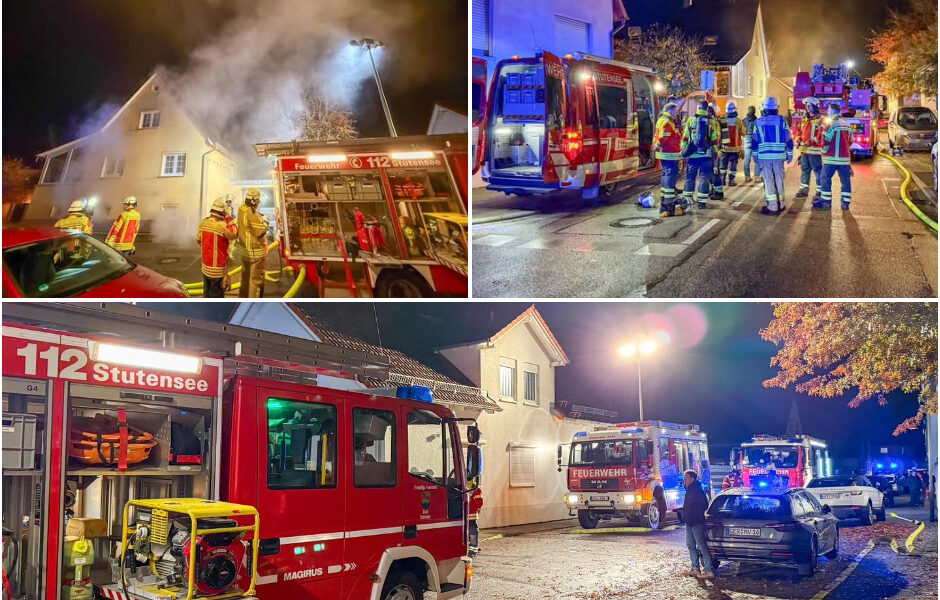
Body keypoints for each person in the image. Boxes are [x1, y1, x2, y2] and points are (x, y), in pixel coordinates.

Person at [751, 97, 793, 214]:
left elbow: (754, 142)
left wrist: (755, 156)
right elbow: (788, 139)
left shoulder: (758, 122)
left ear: (764, 109)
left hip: (764, 157)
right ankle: (781, 204)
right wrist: (789, 154)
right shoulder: (782, 121)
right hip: (779, 156)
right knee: (779, 179)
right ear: (776, 109)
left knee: (768, 180)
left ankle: (772, 206)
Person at [681, 101, 720, 210]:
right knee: (704, 178)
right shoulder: (711, 122)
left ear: (698, 108)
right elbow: (714, 140)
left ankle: (688, 199)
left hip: (692, 155)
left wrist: (684, 150)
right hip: (706, 155)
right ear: (707, 109)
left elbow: (685, 137)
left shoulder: (691, 120)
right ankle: (701, 202)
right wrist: (715, 154)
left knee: (690, 177)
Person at [196, 197, 238, 298]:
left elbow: (198, 240)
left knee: (207, 293)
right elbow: (234, 233)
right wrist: (228, 217)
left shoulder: (203, 223)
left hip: (205, 267)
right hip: (217, 271)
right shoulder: (221, 226)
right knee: (216, 295)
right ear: (222, 213)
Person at [818, 103, 853, 211]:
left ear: (832, 111)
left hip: (830, 159)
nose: (828, 112)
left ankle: (826, 202)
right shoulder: (847, 124)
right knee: (845, 181)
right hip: (844, 160)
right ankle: (845, 204)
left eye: (829, 110)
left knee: (825, 178)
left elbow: (826, 141)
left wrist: (823, 152)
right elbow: (850, 141)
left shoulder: (831, 124)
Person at [235, 188, 269, 298]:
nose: (259, 202)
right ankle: (253, 301)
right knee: (255, 281)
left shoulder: (241, 209)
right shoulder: (251, 212)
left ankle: (243, 299)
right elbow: (260, 231)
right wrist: (265, 221)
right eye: (258, 200)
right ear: (254, 200)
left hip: (245, 252)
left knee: (245, 279)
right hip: (255, 253)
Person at [681, 469, 715, 580]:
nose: (684, 480)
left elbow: (703, 507)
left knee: (701, 546)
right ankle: (695, 568)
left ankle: (709, 570)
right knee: (690, 545)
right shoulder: (689, 490)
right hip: (689, 523)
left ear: (692, 479)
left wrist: (693, 517)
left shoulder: (698, 491)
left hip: (696, 523)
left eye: (686, 478)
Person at [654, 101, 684, 217]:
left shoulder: (664, 120)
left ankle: (665, 204)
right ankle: (669, 206)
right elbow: (664, 138)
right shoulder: (667, 121)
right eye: (676, 111)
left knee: (666, 176)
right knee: (670, 178)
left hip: (665, 153)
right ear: (670, 111)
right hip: (669, 153)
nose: (677, 113)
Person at [795, 97, 825, 202]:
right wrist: (798, 140)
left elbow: (821, 135)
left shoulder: (821, 120)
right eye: (806, 106)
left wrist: (810, 142)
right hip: (804, 151)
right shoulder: (804, 119)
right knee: (804, 170)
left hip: (815, 151)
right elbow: (798, 131)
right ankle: (804, 189)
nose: (807, 108)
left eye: (810, 106)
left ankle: (820, 192)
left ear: (816, 106)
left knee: (817, 171)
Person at [719, 101, 744, 188]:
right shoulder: (738, 121)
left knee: (723, 165)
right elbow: (744, 132)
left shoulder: (722, 120)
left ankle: (722, 180)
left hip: (724, 148)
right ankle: (731, 180)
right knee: (733, 165)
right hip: (735, 148)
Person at [707, 103, 724, 200]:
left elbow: (717, 137)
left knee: (715, 172)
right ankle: (713, 190)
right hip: (711, 150)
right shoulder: (710, 122)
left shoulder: (714, 123)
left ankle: (719, 192)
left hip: (715, 151)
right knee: (710, 172)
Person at [742, 106, 761, 184]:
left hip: (746, 140)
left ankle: (747, 177)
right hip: (755, 141)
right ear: (754, 112)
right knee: (757, 159)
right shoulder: (757, 121)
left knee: (747, 159)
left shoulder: (743, 121)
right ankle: (756, 177)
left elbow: (742, 132)